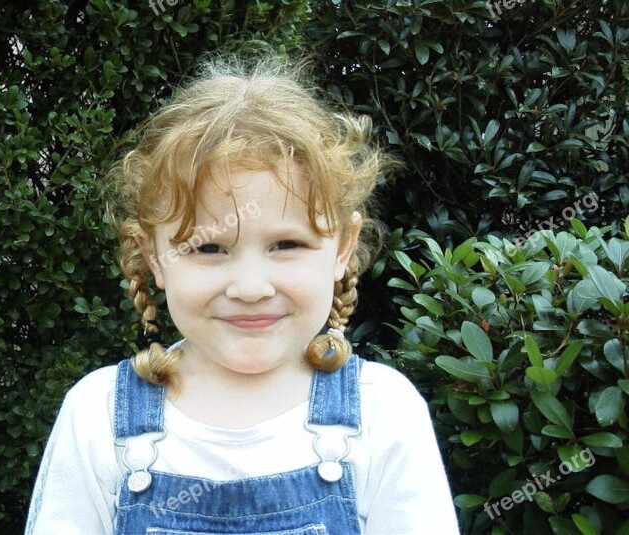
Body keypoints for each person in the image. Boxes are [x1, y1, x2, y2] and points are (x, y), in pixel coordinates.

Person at [25, 53, 460, 534]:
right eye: (209, 247)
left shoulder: (384, 415)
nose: (251, 288)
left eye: (287, 244)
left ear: (343, 247)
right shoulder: (98, 418)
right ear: (154, 258)